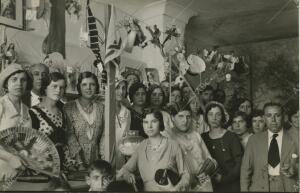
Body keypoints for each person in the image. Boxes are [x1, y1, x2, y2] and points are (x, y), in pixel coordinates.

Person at [117, 109, 190, 191]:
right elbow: (126, 168)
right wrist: (127, 174)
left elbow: (186, 175)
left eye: (154, 121)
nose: (149, 126)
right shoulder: (141, 147)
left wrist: (175, 189)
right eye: (146, 122)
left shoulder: (173, 145)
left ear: (161, 123)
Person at [240, 102, 298, 192]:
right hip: (259, 188)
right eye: (269, 115)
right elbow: (245, 170)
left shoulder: (295, 138)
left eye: (277, 115)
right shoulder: (254, 140)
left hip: (287, 187)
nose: (273, 120)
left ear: (284, 117)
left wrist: (294, 168)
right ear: (264, 118)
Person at [163, 102, 217, 191]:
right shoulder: (169, 137)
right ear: (172, 117)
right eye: (180, 116)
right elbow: (169, 167)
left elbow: (210, 160)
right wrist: (191, 179)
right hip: (183, 186)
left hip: (204, 185)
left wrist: (208, 169)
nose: (185, 121)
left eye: (188, 116)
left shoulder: (196, 135)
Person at [64, 72, 105, 170]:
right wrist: (80, 163)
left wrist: (103, 159)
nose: (88, 88)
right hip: (74, 161)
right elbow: (70, 135)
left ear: (96, 87)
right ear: (79, 87)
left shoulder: (101, 107)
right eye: (84, 84)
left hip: (96, 160)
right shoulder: (69, 107)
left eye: (92, 84)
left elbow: (104, 135)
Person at [201, 101, 243, 192]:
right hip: (209, 185)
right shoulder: (202, 137)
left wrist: (224, 178)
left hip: (231, 184)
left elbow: (239, 163)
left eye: (218, 114)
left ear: (223, 117)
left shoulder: (231, 137)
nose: (214, 118)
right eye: (210, 114)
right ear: (206, 117)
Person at [0, 63, 33, 180]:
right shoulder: (1, 105)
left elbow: (27, 142)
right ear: (6, 83)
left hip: (20, 173)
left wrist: (25, 152)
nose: (19, 84)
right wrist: (9, 157)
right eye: (14, 80)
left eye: (23, 80)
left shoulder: (27, 110)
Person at [29, 72, 67, 165]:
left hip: (61, 165)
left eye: (62, 87)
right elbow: (28, 146)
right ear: (45, 88)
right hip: (41, 166)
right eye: (54, 86)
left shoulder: (62, 112)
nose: (58, 90)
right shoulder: (33, 112)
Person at [114, 78, 131, 169]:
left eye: (123, 88)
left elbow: (126, 137)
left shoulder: (127, 112)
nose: (121, 91)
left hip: (121, 157)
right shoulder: (103, 108)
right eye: (117, 87)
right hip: (105, 154)